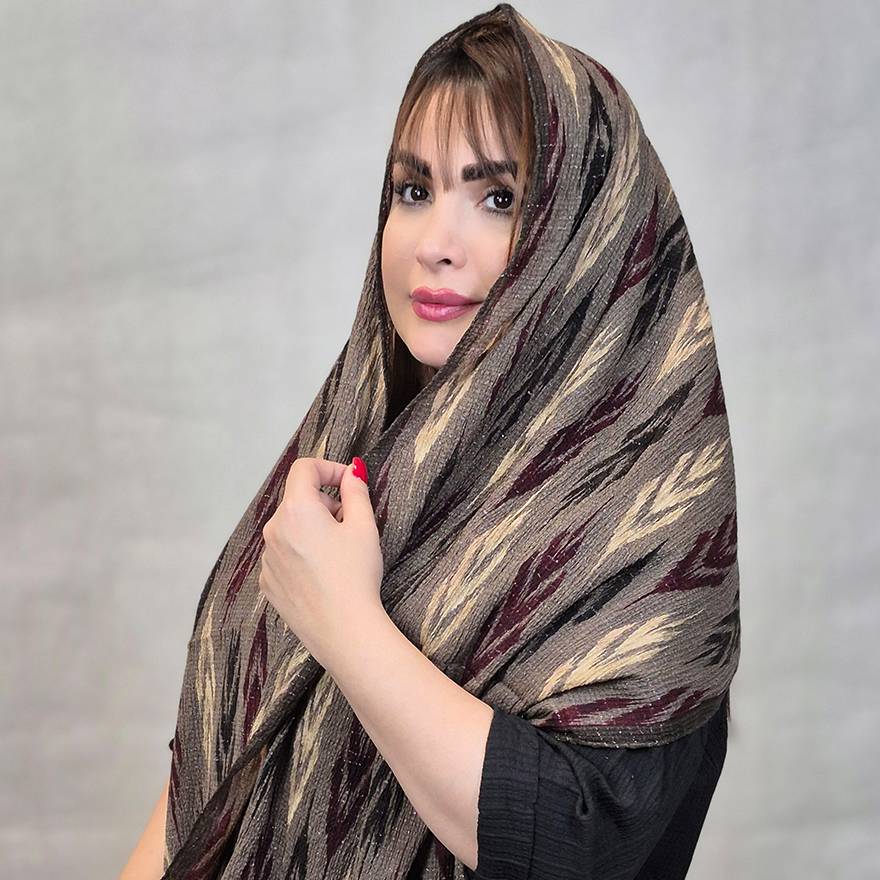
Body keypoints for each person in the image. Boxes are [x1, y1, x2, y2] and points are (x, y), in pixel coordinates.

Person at [120, 4, 740, 878]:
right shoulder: (354, 460)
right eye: (414, 191)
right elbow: (209, 780)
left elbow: (573, 844)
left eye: (498, 199)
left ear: (588, 240)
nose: (434, 245)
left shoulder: (653, 537)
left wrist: (344, 621)